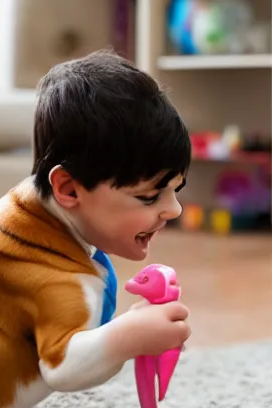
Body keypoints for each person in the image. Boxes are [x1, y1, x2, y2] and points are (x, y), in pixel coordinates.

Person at [30, 48, 193, 357]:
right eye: (149, 196)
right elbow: (60, 364)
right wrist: (129, 334)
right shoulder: (34, 269)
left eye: (176, 190)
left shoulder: (89, 261)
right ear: (69, 189)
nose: (174, 210)